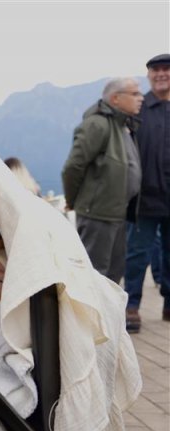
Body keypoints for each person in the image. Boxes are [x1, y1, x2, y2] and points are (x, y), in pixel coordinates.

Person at [62, 77, 143, 283]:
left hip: (117, 213)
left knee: (113, 275)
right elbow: (73, 167)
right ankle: (91, 316)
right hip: (97, 214)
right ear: (115, 98)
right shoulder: (97, 125)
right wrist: (74, 201)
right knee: (94, 275)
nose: (140, 98)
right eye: (134, 94)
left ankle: (109, 315)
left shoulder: (123, 125)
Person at [124, 53, 170, 332]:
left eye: (166, 69)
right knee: (137, 254)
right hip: (144, 199)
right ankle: (131, 306)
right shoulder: (138, 110)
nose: (161, 74)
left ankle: (169, 304)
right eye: (156, 70)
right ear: (149, 75)